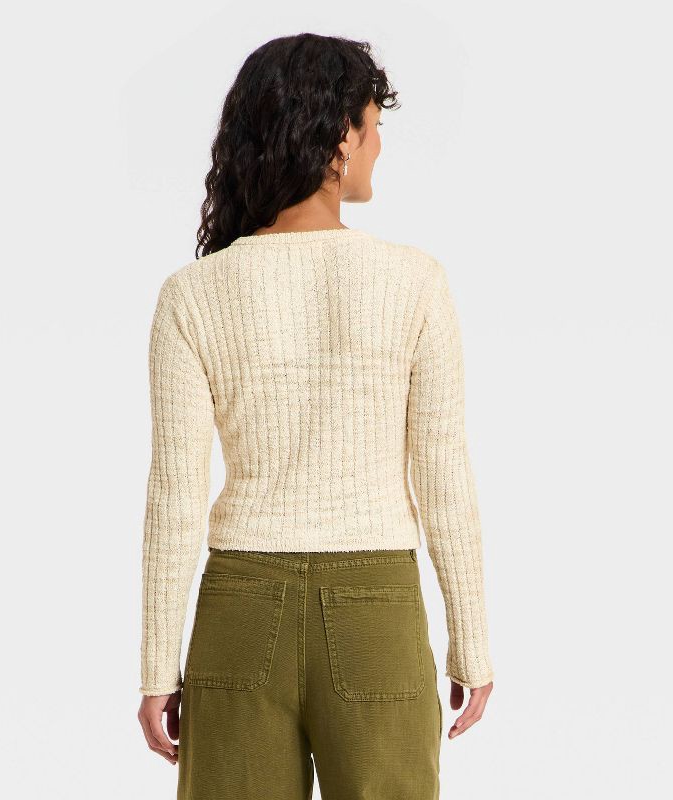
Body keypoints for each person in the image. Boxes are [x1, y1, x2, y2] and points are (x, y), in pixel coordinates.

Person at [136, 32, 494, 799]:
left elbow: (174, 493)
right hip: (377, 616)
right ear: (338, 137)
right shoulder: (415, 282)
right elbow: (443, 474)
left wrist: (157, 668)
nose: (379, 145)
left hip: (239, 614)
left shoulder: (193, 295)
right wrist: (472, 643)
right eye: (373, 124)